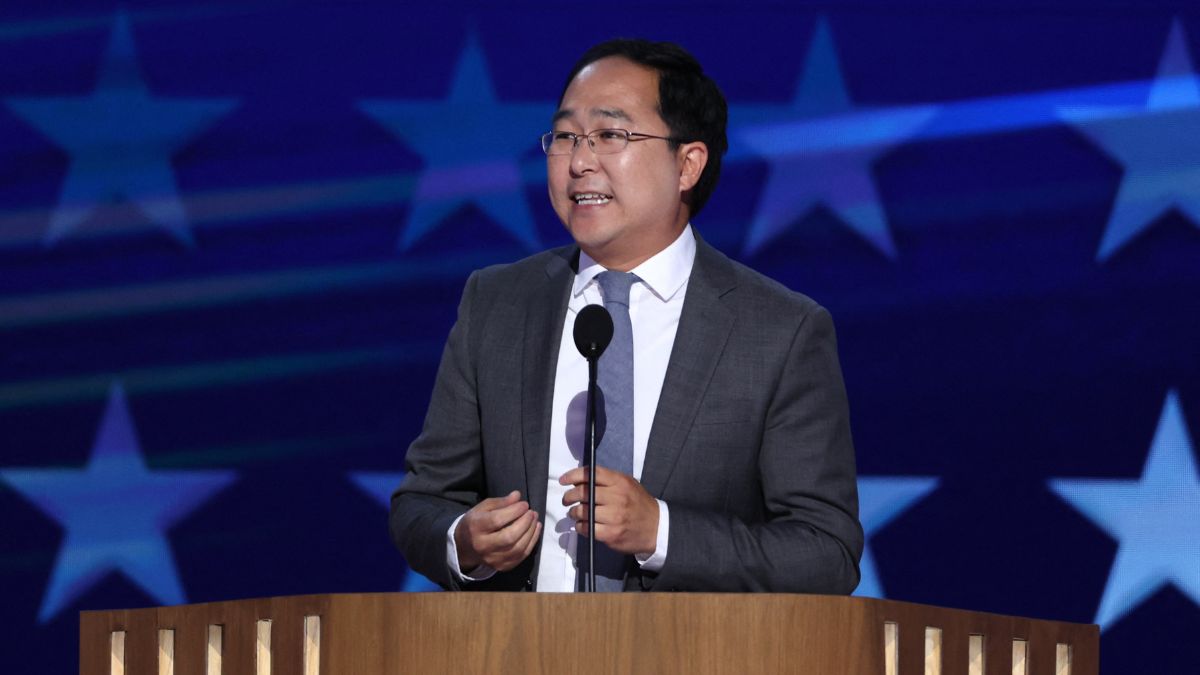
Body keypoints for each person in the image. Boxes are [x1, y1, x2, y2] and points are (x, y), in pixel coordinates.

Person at [390, 38, 863, 592]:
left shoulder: (779, 332)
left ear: (688, 164)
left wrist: (660, 531)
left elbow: (825, 553)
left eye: (611, 135)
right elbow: (420, 502)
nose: (579, 161)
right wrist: (464, 542)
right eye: (565, 137)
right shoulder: (496, 304)